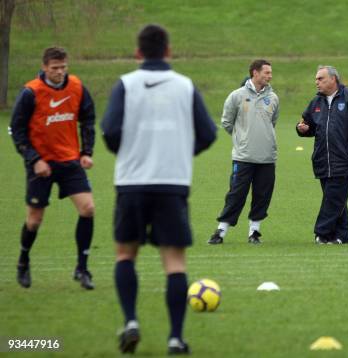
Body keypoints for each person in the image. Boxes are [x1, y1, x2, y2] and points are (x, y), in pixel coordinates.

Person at [101, 24, 217, 355]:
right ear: (169, 51)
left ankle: (132, 322)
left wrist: (130, 152)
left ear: (138, 53)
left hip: (131, 183)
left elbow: (109, 130)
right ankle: (175, 338)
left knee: (125, 254)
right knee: (175, 263)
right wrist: (181, 152)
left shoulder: (126, 84)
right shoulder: (185, 86)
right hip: (172, 183)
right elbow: (208, 134)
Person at [10, 47, 96, 290]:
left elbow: (88, 119)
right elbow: (17, 130)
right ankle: (23, 261)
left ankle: (82, 268)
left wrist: (87, 152)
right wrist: (33, 159)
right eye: (55, 68)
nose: (59, 72)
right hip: (41, 165)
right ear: (45, 67)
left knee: (88, 209)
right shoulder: (31, 92)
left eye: (63, 67)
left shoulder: (77, 87)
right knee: (34, 221)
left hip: (69, 161)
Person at [208, 59, 280, 245]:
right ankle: (221, 232)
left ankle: (254, 232)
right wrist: (242, 139)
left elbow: (272, 122)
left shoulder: (273, 97)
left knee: (262, 195)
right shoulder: (236, 96)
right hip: (243, 156)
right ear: (255, 73)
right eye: (267, 73)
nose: (270, 76)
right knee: (236, 194)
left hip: (267, 157)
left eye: (270, 73)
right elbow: (226, 122)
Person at [297, 65, 348, 244]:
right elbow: (308, 125)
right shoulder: (316, 102)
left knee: (333, 199)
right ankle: (343, 235)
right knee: (336, 199)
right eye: (316, 79)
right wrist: (302, 129)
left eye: (320, 78)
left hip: (345, 160)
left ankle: (322, 233)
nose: (317, 82)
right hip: (323, 159)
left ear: (333, 79)